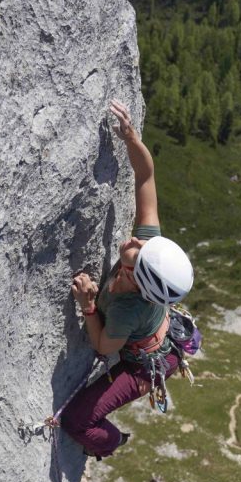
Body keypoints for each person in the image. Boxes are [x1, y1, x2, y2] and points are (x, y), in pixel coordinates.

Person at [60, 100, 193, 459]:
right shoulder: (147, 255)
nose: (135, 241)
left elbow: (105, 346)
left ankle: (114, 442)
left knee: (77, 421)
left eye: (136, 253)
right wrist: (132, 139)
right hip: (154, 332)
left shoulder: (126, 309)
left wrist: (89, 306)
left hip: (143, 365)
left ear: (137, 281)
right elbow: (146, 178)